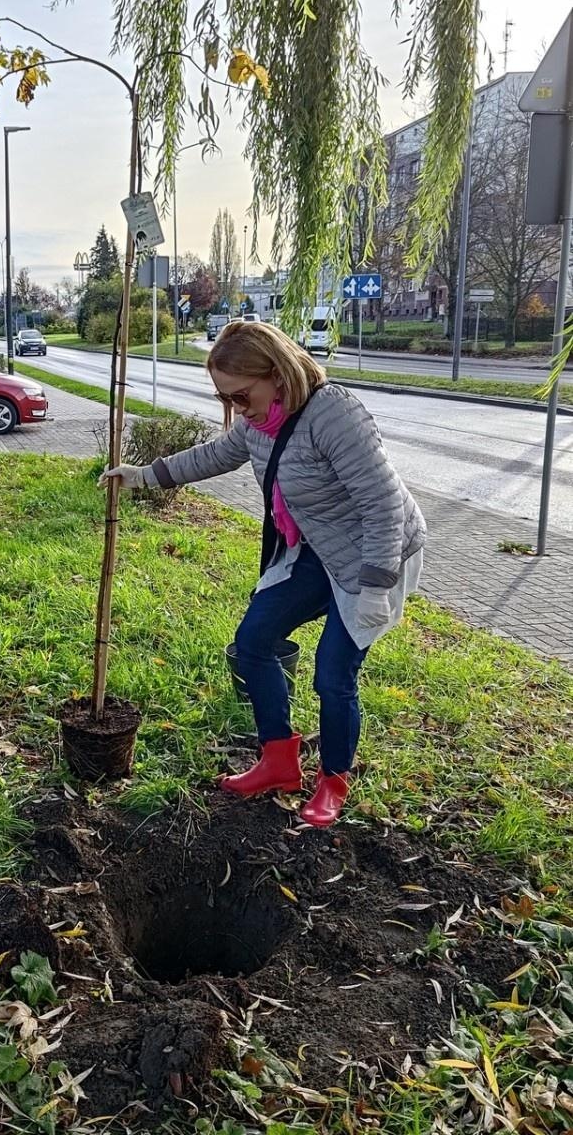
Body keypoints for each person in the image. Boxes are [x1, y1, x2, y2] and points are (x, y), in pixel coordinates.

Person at [101, 319, 426, 827]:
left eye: (240, 395)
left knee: (332, 674)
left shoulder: (334, 415)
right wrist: (145, 475)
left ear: (276, 374)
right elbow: (213, 456)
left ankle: (333, 781)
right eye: (226, 398)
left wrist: (374, 588)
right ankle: (279, 761)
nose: (235, 409)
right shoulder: (260, 423)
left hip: (376, 555)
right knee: (254, 640)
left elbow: (382, 506)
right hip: (320, 549)